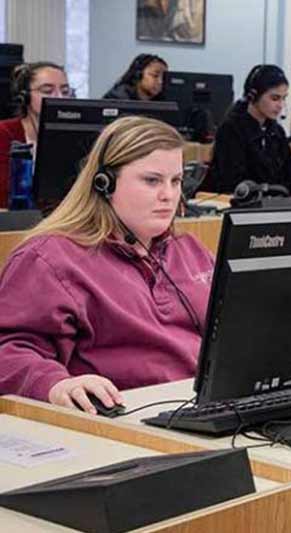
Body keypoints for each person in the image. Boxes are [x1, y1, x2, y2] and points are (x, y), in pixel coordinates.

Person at [0, 116, 214, 414]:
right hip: (125, 416)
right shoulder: (49, 258)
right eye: (152, 180)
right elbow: (9, 350)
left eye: (176, 181)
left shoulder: (188, 250)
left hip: (203, 409)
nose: (168, 195)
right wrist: (56, 384)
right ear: (104, 184)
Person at [208, 64, 291, 194]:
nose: (281, 105)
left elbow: (289, 176)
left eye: (284, 98)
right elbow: (231, 182)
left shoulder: (277, 132)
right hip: (241, 205)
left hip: (272, 205)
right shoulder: (231, 129)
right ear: (253, 95)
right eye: (275, 98)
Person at [0, 62, 72, 208]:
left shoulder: (76, 137)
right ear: (24, 98)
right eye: (47, 91)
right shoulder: (4, 133)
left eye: (65, 91)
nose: (59, 98)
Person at [103, 53, 168, 101]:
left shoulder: (164, 100)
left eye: (164, 77)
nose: (160, 81)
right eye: (155, 75)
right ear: (138, 74)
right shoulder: (118, 98)